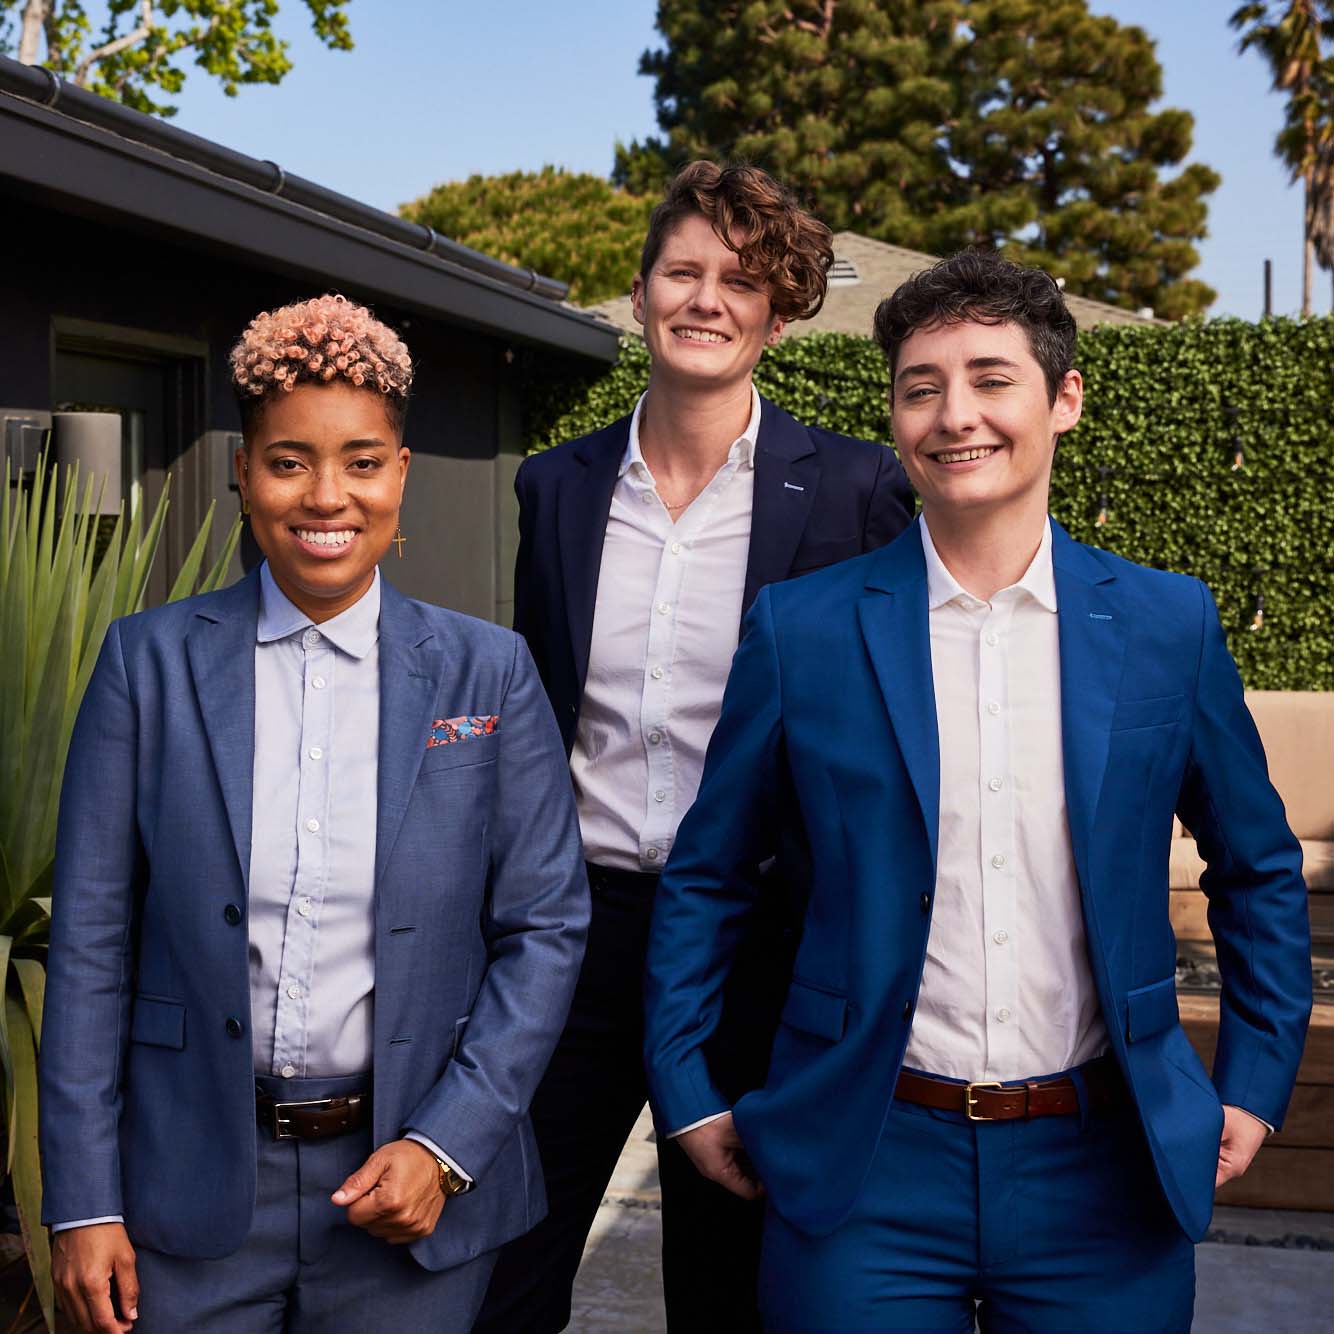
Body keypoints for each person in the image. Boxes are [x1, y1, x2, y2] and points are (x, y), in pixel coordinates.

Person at [644, 251, 1313, 1331]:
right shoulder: (800, 628)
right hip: (860, 1163)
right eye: (920, 386)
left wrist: (1252, 1077)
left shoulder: (1164, 624)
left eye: (990, 378)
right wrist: (683, 1084)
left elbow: (1256, 867)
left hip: (1103, 1162)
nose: (953, 414)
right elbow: (709, 873)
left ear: (1064, 400)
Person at [39, 294, 588, 1334]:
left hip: (408, 1188)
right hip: (185, 1183)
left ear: (401, 475)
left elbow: (545, 926)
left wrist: (447, 1142)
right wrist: (83, 1194)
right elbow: (91, 943)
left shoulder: (489, 671)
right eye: (288, 460)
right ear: (243, 473)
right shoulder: (144, 664)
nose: (325, 494)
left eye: (361, 460)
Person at [476, 161, 913, 1332]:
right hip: (576, 933)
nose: (706, 297)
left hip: (754, 943)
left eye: (739, 279)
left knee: (727, 1286)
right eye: (683, 270)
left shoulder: (855, 489)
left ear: (774, 313)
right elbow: (541, 708)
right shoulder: (555, 488)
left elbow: (881, 736)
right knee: (506, 1268)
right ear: (637, 293)